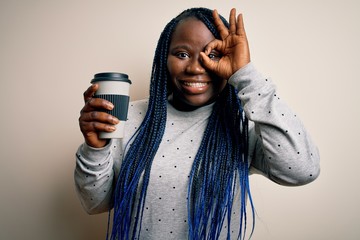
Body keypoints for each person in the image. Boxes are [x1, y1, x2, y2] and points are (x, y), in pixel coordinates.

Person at [75, 7, 320, 240]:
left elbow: (302, 170)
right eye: (182, 54)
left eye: (213, 55)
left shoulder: (243, 124)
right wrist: (95, 149)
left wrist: (245, 74)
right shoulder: (129, 116)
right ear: (164, 58)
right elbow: (96, 204)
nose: (194, 67)